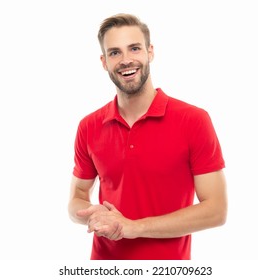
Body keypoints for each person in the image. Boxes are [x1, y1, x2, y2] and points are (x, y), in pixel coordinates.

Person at [68, 13, 227, 260]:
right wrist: (95, 213)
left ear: (150, 52)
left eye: (134, 48)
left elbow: (216, 210)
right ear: (104, 61)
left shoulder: (193, 120)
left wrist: (133, 227)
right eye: (115, 53)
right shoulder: (88, 126)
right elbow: (77, 197)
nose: (126, 60)